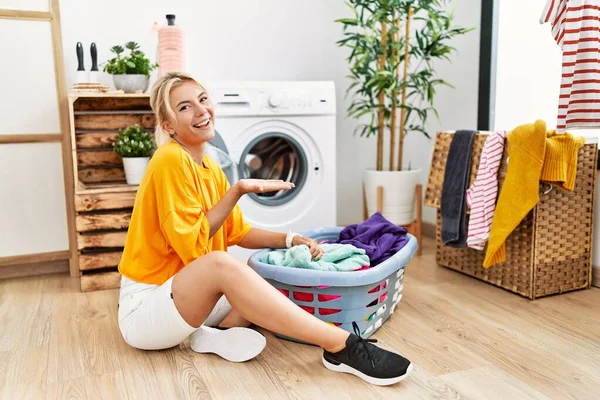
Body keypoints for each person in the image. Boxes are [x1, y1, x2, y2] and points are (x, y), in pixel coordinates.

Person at [117, 71, 413, 386]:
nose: (201, 110)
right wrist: (238, 190)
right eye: (185, 107)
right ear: (168, 125)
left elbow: (237, 232)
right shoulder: (169, 160)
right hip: (148, 309)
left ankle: (211, 336)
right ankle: (340, 346)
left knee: (259, 269)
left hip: (187, 302)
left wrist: (290, 239)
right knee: (221, 264)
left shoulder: (210, 167)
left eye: (203, 100)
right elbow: (194, 243)